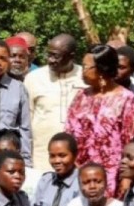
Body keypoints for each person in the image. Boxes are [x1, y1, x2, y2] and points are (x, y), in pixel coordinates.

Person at [66, 45, 134, 192]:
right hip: (81, 174)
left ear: (101, 71)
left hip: (113, 176)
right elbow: (69, 133)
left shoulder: (126, 99)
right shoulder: (81, 97)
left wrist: (127, 177)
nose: (82, 72)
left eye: (86, 67)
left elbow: (133, 142)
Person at [24, 34, 87, 168]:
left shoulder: (85, 77)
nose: (50, 60)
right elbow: (26, 121)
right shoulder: (33, 78)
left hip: (79, 157)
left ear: (71, 56)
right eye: (49, 55)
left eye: (55, 56)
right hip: (42, 157)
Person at [0, 40, 34, 167]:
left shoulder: (18, 88)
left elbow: (25, 128)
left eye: (3, 58)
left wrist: (26, 161)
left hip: (7, 153)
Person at [32, 133, 81, 206]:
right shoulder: (45, 181)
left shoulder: (82, 182)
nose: (56, 161)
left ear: (75, 155)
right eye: (52, 156)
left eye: (62, 155)